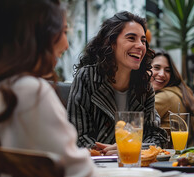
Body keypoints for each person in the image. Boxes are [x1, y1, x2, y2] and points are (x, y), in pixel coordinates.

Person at [0, 0, 102, 177]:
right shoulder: (29, 92)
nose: (66, 44)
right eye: (62, 31)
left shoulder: (4, 88)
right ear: (37, 36)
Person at [67, 11, 168, 153]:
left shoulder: (143, 85)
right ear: (112, 43)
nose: (140, 46)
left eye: (143, 40)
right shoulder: (88, 77)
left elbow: (156, 136)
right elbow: (77, 136)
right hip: (96, 167)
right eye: (131, 38)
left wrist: (130, 149)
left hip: (133, 167)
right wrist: (106, 152)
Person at [151, 50, 194, 146]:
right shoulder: (179, 92)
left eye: (167, 70)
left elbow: (132, 126)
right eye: (157, 68)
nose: (162, 74)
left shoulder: (165, 97)